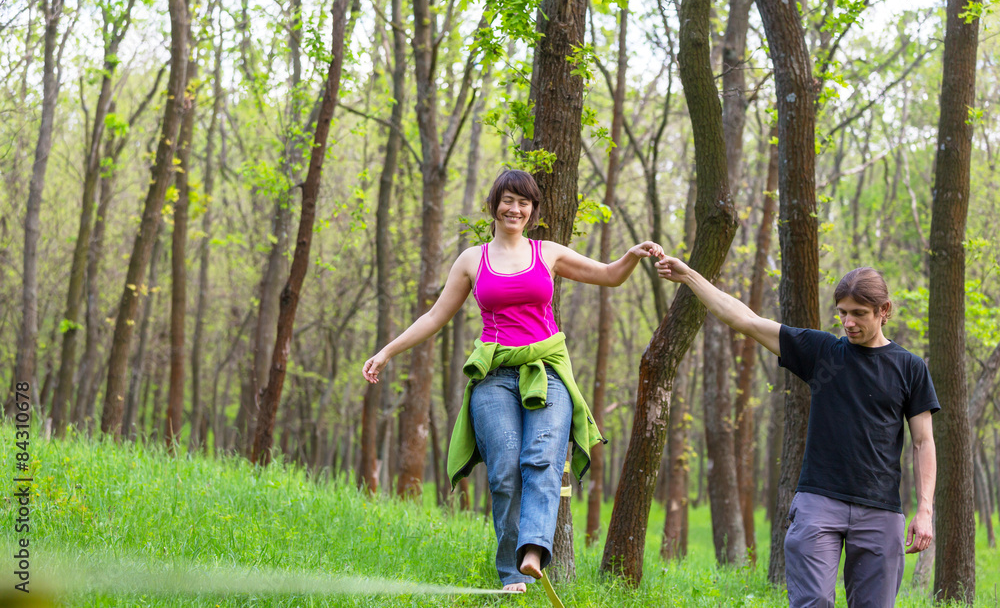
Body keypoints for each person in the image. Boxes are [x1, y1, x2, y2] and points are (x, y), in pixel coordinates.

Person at [363, 169, 664, 592]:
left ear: (533, 211)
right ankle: (510, 576)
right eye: (508, 200)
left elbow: (610, 275)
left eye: (524, 203)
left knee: (541, 458)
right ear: (494, 204)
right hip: (494, 375)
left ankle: (533, 553)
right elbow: (434, 316)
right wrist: (386, 351)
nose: (515, 209)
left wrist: (632, 254)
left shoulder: (548, 253)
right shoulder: (472, 259)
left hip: (547, 372)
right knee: (505, 467)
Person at [656, 257, 938, 608]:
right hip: (820, 501)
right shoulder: (822, 352)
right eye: (842, 313)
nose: (848, 322)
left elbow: (923, 442)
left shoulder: (909, 367)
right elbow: (744, 319)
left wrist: (925, 509)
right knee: (813, 601)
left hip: (880, 508)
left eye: (859, 314)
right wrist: (689, 276)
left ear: (884, 310)